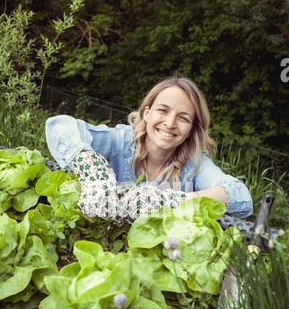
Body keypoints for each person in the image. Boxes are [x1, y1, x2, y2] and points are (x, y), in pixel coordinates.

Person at [45, 76, 253, 223]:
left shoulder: (194, 164)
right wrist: (91, 167)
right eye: (163, 110)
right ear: (146, 113)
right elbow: (60, 125)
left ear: (191, 130)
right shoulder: (122, 141)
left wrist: (174, 201)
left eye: (183, 118)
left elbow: (239, 196)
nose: (170, 123)